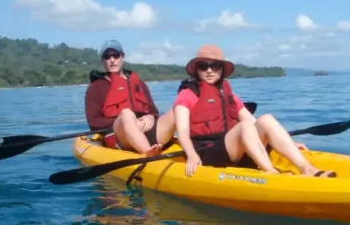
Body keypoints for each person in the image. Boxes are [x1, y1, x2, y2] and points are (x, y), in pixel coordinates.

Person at [173, 44, 337, 178]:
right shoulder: (188, 94)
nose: (209, 70)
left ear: (221, 69)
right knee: (244, 126)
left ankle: (307, 168)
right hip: (207, 153)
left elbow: (253, 122)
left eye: (214, 66)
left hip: (233, 149)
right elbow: (182, 132)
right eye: (204, 66)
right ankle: (271, 173)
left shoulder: (227, 94)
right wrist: (191, 154)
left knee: (266, 119)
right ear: (197, 69)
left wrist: (286, 141)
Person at [84, 39, 176, 156]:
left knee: (177, 109)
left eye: (115, 56)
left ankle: (198, 150)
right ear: (103, 60)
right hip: (120, 137)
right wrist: (132, 122)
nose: (112, 60)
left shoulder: (139, 84)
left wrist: (150, 117)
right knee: (127, 113)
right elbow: (94, 122)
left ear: (123, 56)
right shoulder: (95, 88)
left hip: (147, 131)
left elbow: (153, 111)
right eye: (107, 57)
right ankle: (149, 153)